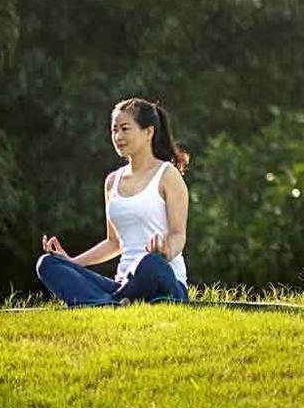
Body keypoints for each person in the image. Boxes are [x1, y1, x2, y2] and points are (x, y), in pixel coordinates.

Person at [35, 97, 193, 307]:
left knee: (151, 263)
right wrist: (72, 262)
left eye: (125, 129)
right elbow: (114, 243)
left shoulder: (167, 175)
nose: (118, 136)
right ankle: (109, 304)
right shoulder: (112, 182)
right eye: (114, 130)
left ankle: (102, 303)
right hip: (122, 285)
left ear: (149, 132)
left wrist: (166, 251)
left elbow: (178, 234)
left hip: (162, 278)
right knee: (47, 264)